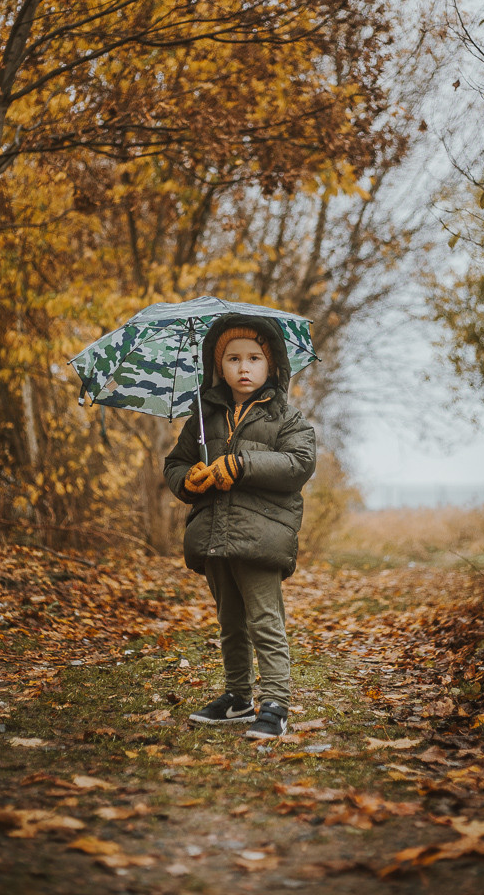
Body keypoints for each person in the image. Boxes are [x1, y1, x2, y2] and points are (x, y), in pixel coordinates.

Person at [163, 313, 316, 739]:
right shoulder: (204, 416)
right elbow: (175, 463)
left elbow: (299, 464)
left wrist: (242, 464)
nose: (243, 367)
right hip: (214, 532)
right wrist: (188, 479)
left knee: (264, 619)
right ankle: (237, 698)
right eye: (232, 359)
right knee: (229, 620)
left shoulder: (286, 416)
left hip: (262, 534)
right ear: (219, 366)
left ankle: (276, 703)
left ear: (271, 365)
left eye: (253, 358)